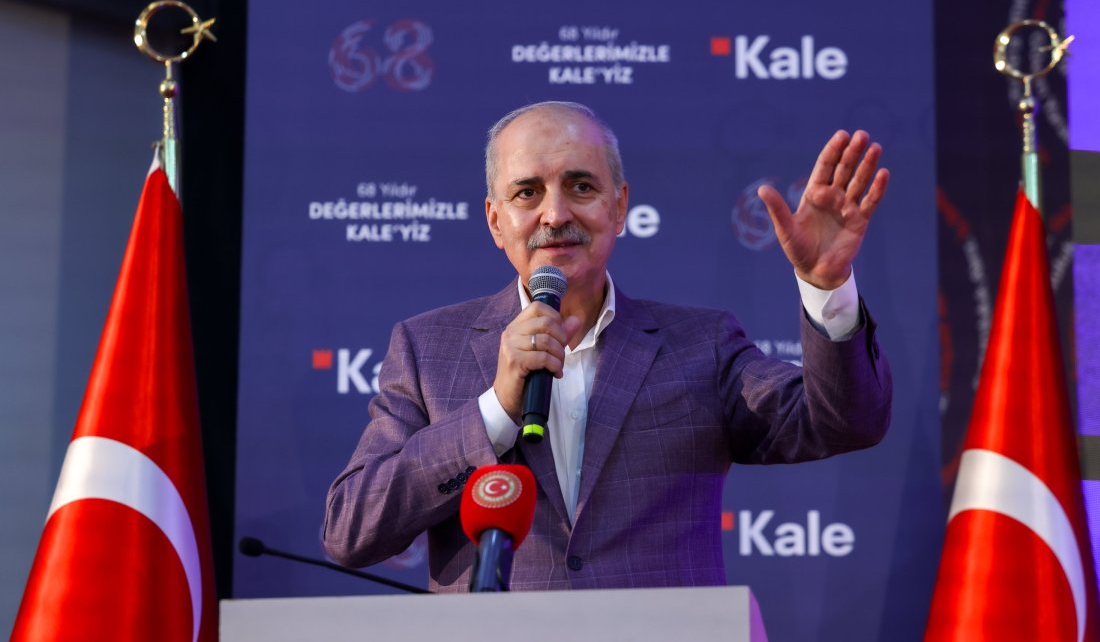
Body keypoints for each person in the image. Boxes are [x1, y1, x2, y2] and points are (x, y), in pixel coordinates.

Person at [323, 101, 892, 590]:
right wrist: (494, 410)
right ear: (496, 221)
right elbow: (351, 530)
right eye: (527, 192)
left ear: (619, 207)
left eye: (581, 186)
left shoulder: (702, 345)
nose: (555, 214)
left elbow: (845, 421)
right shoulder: (427, 349)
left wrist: (826, 286)